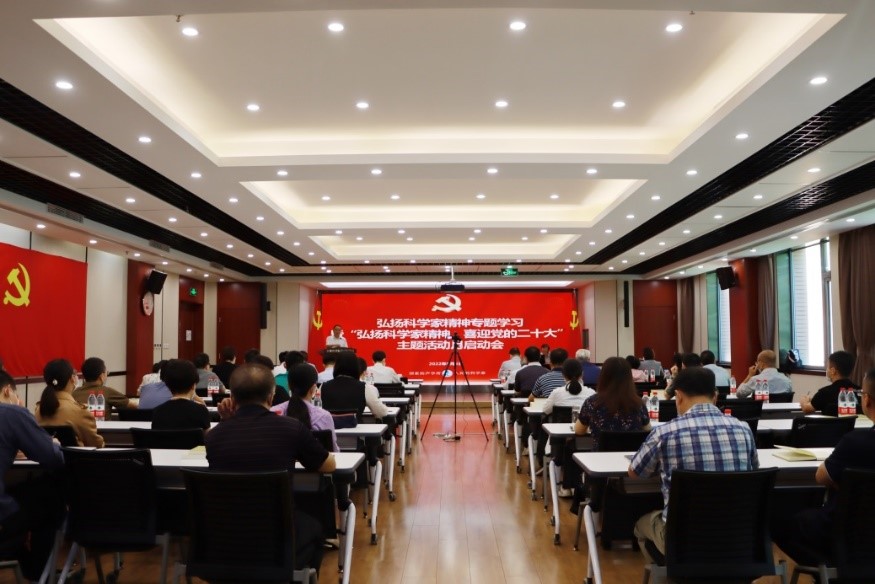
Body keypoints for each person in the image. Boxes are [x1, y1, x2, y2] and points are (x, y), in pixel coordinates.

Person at [207, 363, 336, 574]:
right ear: (271, 395)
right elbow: (328, 465)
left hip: (221, 540)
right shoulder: (291, 428)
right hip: (277, 537)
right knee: (314, 527)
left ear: (232, 396)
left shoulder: (214, 436)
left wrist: (227, 421)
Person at [628, 367, 758, 563]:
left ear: (678, 397)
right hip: (738, 536)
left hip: (683, 539)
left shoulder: (665, 433)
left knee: (641, 525)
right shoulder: (744, 429)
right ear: (715, 396)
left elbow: (635, 472)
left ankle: (672, 573)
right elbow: (753, 471)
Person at [774, 367, 875, 565]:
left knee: (780, 522)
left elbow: (821, 477)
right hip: (862, 533)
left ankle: (827, 572)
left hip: (845, 530)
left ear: (867, 400)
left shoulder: (856, 442)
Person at [0, 369, 66, 581]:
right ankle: (40, 574)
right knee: (49, 497)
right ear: (7, 391)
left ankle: (27, 565)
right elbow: (52, 458)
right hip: (3, 516)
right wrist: (53, 443)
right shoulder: (12, 414)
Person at [576, 357, 651, 450]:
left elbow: (579, 430)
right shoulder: (638, 403)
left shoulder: (592, 402)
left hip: (599, 457)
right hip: (631, 457)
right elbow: (648, 429)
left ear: (603, 376)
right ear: (628, 378)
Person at [35, 358, 105, 447]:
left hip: (47, 456)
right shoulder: (80, 412)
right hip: (76, 456)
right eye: (74, 374)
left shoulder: (38, 410)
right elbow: (96, 444)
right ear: (72, 379)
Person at [271, 364, 339, 451]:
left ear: (288, 386)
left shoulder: (273, 412)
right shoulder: (323, 416)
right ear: (313, 388)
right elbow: (333, 450)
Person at [320, 352, 388, 419]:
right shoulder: (364, 388)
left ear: (336, 366)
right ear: (356, 367)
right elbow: (381, 412)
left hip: (329, 425)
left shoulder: (323, 386)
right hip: (355, 425)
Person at [152, 359, 211, 431]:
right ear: (193, 386)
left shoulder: (158, 412)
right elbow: (208, 436)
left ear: (168, 386)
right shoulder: (201, 411)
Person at [800, 350, 860, 417]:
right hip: (854, 424)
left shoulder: (824, 393)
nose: (827, 370)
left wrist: (804, 400)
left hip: (830, 424)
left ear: (833, 371)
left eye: (828, 367)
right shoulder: (859, 391)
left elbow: (806, 409)